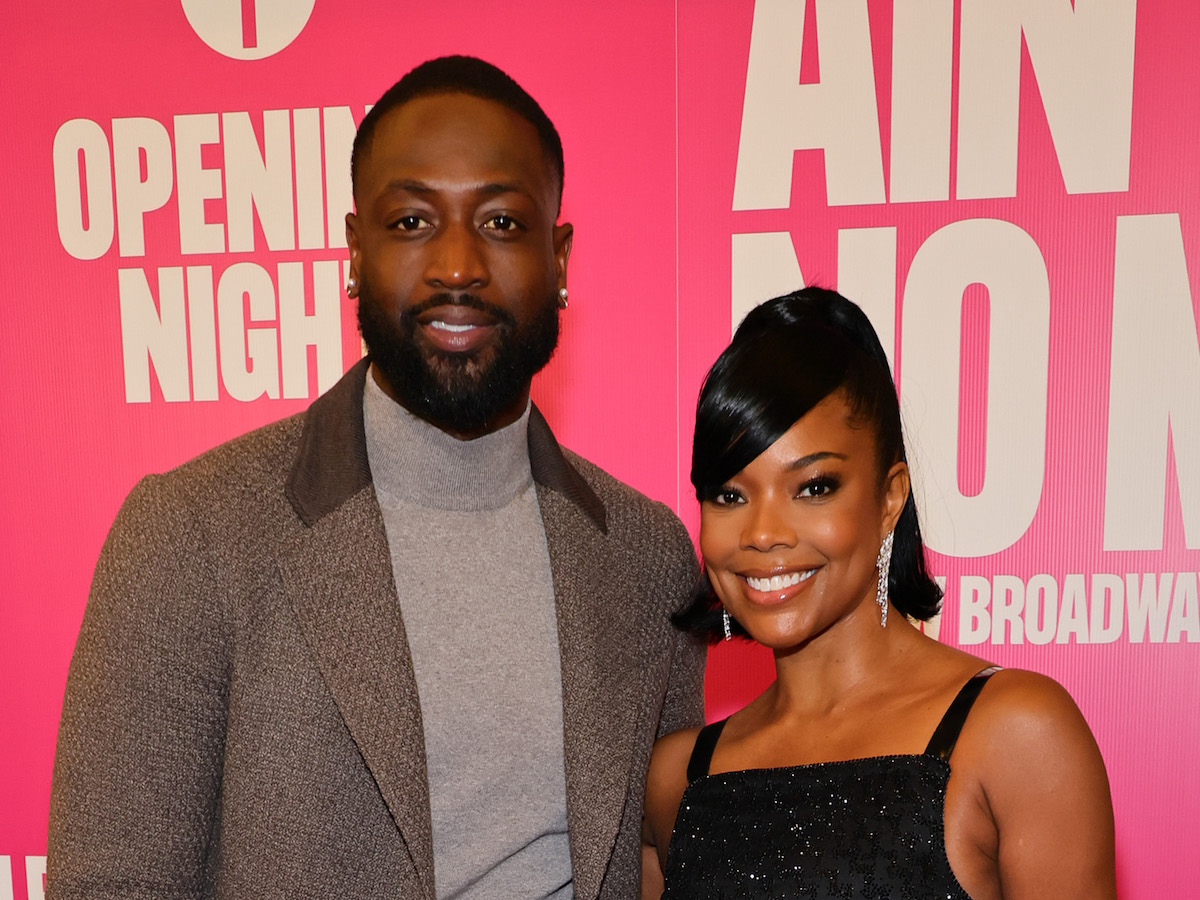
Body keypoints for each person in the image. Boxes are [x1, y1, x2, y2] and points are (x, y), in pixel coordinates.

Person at [48, 56, 704, 900]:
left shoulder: (647, 555)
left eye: (502, 222)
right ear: (355, 251)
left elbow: (666, 862)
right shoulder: (191, 534)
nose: (458, 265)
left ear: (561, 258)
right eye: (413, 221)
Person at [641, 288, 1115, 899]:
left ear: (890, 497)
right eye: (729, 494)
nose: (761, 534)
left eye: (813, 487)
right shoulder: (677, 782)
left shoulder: (1014, 734)